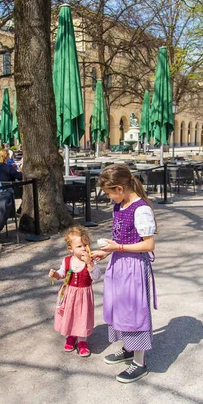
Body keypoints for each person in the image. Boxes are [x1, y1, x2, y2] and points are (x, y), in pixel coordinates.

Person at [92, 164, 157, 384]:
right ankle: (129, 348)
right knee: (119, 308)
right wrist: (104, 252)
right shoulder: (120, 206)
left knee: (134, 312)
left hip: (134, 266)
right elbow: (120, 239)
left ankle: (139, 362)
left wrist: (117, 248)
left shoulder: (141, 209)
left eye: (109, 193)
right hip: (119, 263)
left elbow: (148, 245)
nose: (109, 198)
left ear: (119, 188)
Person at [48, 226, 101, 357]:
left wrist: (90, 264)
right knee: (70, 315)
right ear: (70, 249)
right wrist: (56, 274)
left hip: (83, 295)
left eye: (85, 245)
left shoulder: (91, 261)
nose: (83, 248)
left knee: (81, 317)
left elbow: (96, 276)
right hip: (69, 294)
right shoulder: (67, 260)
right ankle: (71, 336)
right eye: (79, 246)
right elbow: (62, 273)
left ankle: (82, 341)